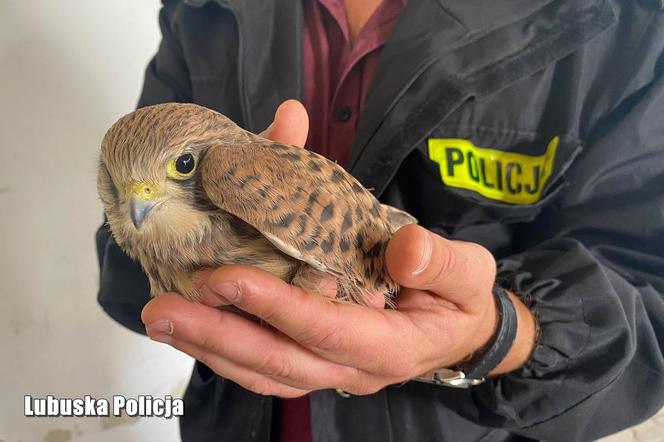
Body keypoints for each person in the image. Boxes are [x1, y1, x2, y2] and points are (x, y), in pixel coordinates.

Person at [96, 0, 664, 440]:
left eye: (183, 168)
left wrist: (493, 335)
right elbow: (126, 243)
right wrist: (172, 283)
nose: (144, 196)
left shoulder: (617, 23)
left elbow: (646, 311)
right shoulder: (202, 11)